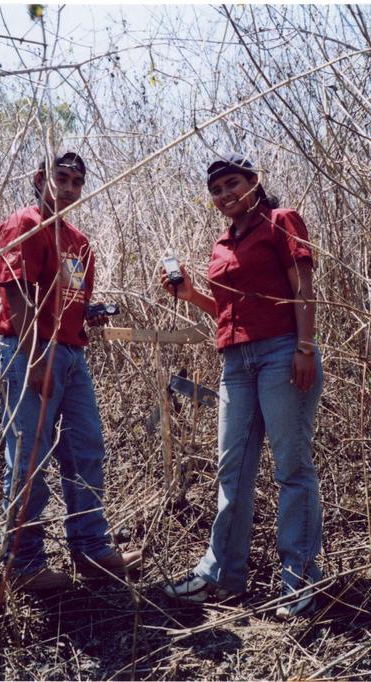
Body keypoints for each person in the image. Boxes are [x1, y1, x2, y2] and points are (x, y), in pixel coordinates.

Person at [162, 153, 323, 619]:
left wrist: (305, 348)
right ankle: (222, 575)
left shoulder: (280, 221)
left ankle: (300, 579)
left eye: (233, 183)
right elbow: (230, 311)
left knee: (291, 468)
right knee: (232, 470)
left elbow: (302, 287)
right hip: (235, 360)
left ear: (254, 182)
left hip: (281, 352)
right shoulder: (221, 243)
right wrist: (192, 294)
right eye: (216, 189)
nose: (225, 194)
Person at [0, 151, 141, 591]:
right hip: (29, 352)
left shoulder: (78, 239)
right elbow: (16, 296)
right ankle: (22, 566)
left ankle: (92, 550)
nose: (70, 188)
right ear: (41, 179)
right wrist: (36, 356)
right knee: (28, 460)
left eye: (78, 181)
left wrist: (86, 314)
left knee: (86, 450)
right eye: (62, 178)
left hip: (73, 354)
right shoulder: (25, 224)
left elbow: (65, 297)